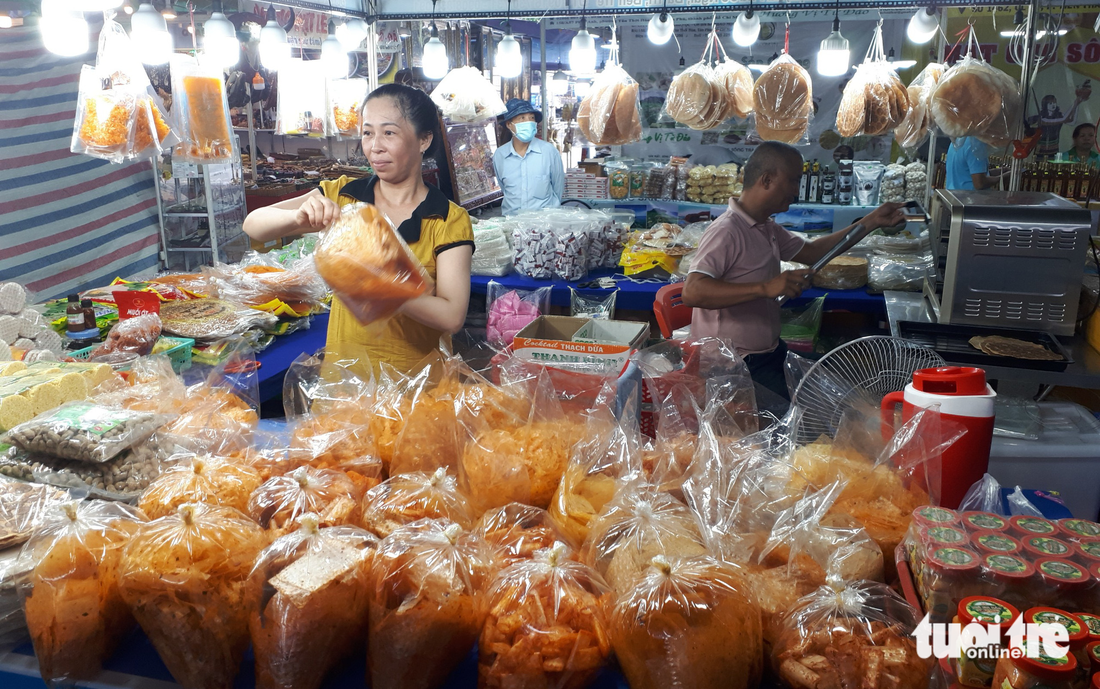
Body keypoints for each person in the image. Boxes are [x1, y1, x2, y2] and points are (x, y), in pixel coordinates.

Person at [242, 83, 474, 377]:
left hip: (415, 388)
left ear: (424, 139)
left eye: (389, 133)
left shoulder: (448, 219)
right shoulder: (343, 194)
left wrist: (378, 284)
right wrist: (299, 218)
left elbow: (452, 316)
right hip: (345, 381)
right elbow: (254, 225)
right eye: (367, 133)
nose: (375, 146)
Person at [681, 142, 904, 401]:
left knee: (845, 379)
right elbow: (693, 291)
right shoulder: (727, 230)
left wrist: (871, 221)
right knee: (821, 408)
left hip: (769, 353)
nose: (797, 191)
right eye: (794, 180)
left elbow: (812, 252)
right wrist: (765, 287)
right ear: (767, 180)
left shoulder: (766, 227)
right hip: (734, 367)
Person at [492, 98, 564, 215]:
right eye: (522, 118)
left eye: (532, 118)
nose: (529, 121)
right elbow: (504, 188)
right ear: (509, 124)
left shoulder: (549, 152)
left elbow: (558, 189)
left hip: (543, 224)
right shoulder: (500, 155)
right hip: (512, 223)